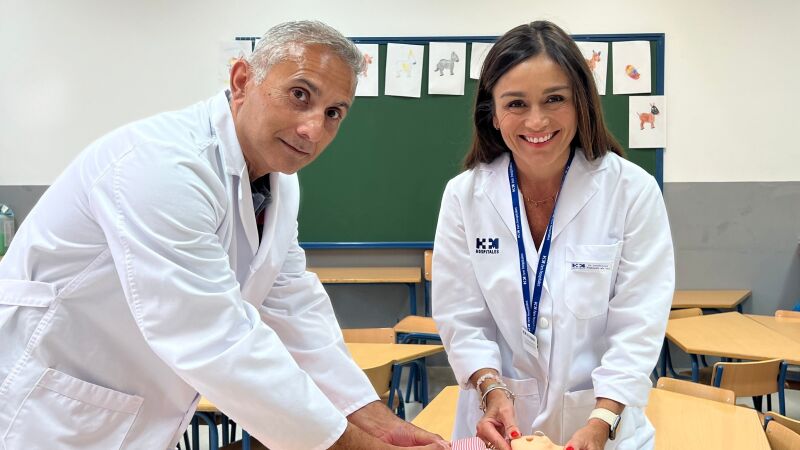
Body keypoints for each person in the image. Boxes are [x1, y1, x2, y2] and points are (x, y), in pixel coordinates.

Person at [0, 21, 449, 450]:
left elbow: (294, 307)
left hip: (122, 413)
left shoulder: (279, 183)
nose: (313, 129)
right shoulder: (162, 165)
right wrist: (352, 445)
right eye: (299, 95)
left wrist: (374, 419)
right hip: (43, 409)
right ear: (242, 80)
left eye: (334, 113)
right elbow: (214, 337)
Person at [432, 21, 674, 450]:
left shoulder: (631, 191)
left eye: (555, 99)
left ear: (581, 103)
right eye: (516, 103)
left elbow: (637, 327)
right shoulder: (465, 196)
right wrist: (491, 389)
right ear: (492, 113)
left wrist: (601, 422)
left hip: (604, 424)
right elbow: (463, 319)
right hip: (497, 428)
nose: (536, 120)